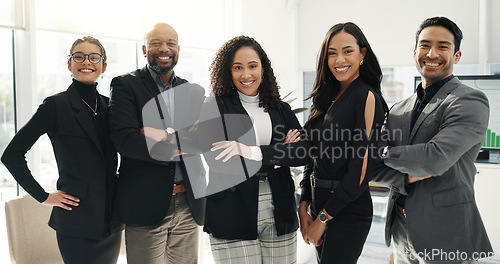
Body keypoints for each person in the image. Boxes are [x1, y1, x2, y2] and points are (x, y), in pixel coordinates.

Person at [373, 17, 493, 263]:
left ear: (456, 56)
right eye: (425, 45)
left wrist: (385, 153)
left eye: (443, 46)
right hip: (400, 228)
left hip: (446, 230)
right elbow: (369, 167)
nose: (432, 53)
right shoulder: (397, 109)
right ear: (415, 51)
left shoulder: (469, 100)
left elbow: (433, 160)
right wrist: (404, 174)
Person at [1, 36, 123, 264]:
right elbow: (11, 155)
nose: (86, 61)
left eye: (94, 57)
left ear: (103, 65)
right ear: (70, 64)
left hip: (111, 222)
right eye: (79, 56)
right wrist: (43, 196)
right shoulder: (55, 106)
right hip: (76, 223)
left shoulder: (111, 107)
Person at [199, 35, 311, 264]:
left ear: (263, 68)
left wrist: (249, 151)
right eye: (237, 67)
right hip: (232, 210)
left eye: (252, 66)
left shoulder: (280, 108)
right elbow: (219, 160)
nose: (246, 74)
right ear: (227, 71)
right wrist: (279, 152)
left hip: (279, 206)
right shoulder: (213, 107)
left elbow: (304, 152)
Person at [108, 23, 205, 264]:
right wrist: (182, 142)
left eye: (170, 43)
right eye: (156, 43)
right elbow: (126, 141)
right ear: (144, 49)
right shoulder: (125, 85)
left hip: (189, 203)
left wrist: (161, 135)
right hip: (145, 202)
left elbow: (202, 140)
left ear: (179, 49)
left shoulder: (192, 91)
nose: (164, 49)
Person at [298, 22, 388, 264]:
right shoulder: (324, 97)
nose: (339, 60)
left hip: (347, 210)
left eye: (347, 51)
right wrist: (304, 204)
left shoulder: (366, 97)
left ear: (362, 54)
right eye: (332, 53)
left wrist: (324, 218)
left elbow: (362, 169)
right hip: (318, 204)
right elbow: (311, 156)